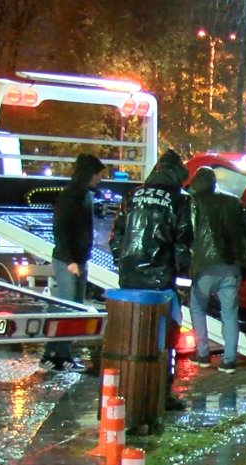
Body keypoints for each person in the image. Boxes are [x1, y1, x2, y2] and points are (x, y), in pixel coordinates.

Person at [109, 148, 193, 409]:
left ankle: (124, 391)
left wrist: (122, 261)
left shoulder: (131, 196)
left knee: (130, 335)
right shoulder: (179, 200)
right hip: (161, 280)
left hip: (129, 279)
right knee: (165, 338)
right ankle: (162, 393)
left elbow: (116, 238)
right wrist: (181, 277)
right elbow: (183, 244)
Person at [39, 154, 106, 373]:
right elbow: (61, 230)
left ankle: (60, 354)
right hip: (69, 261)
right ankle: (54, 354)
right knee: (68, 308)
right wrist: (70, 260)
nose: (99, 179)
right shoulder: (70, 197)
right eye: (97, 175)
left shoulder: (84, 196)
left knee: (73, 308)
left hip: (79, 259)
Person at [187, 166, 246, 373]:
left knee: (198, 308)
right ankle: (229, 360)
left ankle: (202, 355)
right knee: (230, 314)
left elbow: (188, 232)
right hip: (230, 265)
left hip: (203, 266)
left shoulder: (193, 203)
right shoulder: (232, 202)